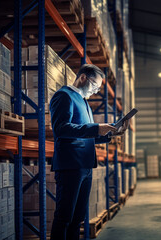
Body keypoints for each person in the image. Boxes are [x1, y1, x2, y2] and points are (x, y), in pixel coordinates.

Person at [49, 64, 129, 239]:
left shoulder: (84, 102)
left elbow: (87, 135)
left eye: (97, 88)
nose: (95, 91)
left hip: (85, 165)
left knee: (77, 218)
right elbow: (61, 129)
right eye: (94, 86)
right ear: (83, 77)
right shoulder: (63, 96)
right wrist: (95, 128)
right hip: (70, 165)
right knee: (64, 217)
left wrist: (109, 133)